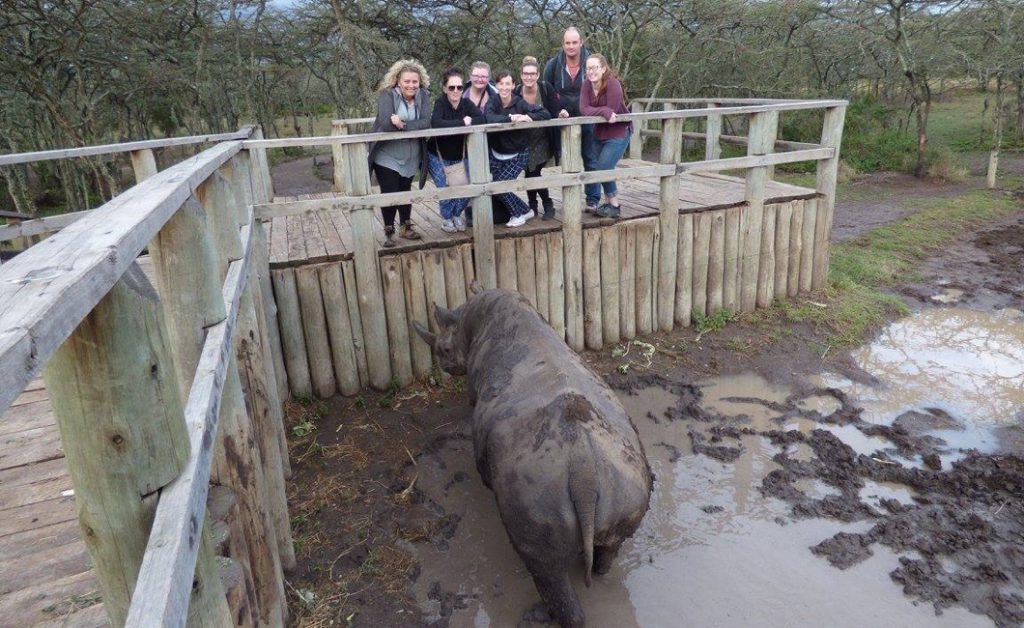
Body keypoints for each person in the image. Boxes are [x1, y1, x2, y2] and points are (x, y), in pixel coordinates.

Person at [367, 59, 432, 247]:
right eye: (407, 81)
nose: (411, 85)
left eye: (415, 81)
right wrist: (408, 126)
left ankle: (405, 226)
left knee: (405, 190)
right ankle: (388, 230)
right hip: (387, 154)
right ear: (397, 81)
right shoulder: (387, 95)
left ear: (420, 82)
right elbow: (386, 124)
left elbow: (426, 122)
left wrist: (402, 125)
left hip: (412, 153)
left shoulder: (423, 96)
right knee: (390, 192)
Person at [483, 70, 552, 228]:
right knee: (495, 187)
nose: (505, 87)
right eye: (501, 84)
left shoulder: (519, 102)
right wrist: (510, 118)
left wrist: (529, 117)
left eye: (508, 84)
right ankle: (526, 210)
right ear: (496, 85)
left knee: (500, 186)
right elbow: (488, 117)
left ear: (513, 85)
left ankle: (518, 214)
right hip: (497, 153)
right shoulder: (493, 101)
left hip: (518, 153)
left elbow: (545, 113)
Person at [543, 26, 596, 208]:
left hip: (588, 117)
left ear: (581, 42)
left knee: (590, 157)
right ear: (563, 44)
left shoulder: (592, 62)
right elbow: (546, 91)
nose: (571, 46)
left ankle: (593, 199)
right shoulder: (553, 65)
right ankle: (569, 199)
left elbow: (601, 86)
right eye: (567, 42)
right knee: (564, 159)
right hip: (563, 119)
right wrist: (556, 111)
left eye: (575, 42)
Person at [428, 67, 486, 233]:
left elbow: (482, 118)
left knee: (465, 187)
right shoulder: (440, 103)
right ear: (445, 88)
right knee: (444, 187)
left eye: (459, 87)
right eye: (452, 87)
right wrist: (462, 123)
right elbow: (437, 123)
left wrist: (471, 120)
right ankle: (447, 218)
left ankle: (456, 215)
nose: (455, 91)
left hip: (460, 154)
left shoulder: (466, 104)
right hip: (437, 155)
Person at [580, 53, 632, 218]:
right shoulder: (586, 85)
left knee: (604, 167)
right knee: (599, 168)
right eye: (588, 68)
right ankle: (610, 203)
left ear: (603, 68)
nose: (591, 71)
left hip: (618, 131)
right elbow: (583, 108)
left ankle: (614, 204)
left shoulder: (613, 84)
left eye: (594, 67)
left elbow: (614, 108)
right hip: (599, 132)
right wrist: (603, 111)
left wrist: (606, 110)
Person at [514, 56, 560, 220]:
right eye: (526, 74)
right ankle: (534, 204)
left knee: (534, 171)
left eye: (532, 74)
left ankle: (545, 204)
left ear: (538, 75)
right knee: (529, 171)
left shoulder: (546, 88)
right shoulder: (516, 92)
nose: (529, 77)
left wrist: (561, 113)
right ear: (521, 75)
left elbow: (554, 110)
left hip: (543, 139)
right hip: (523, 140)